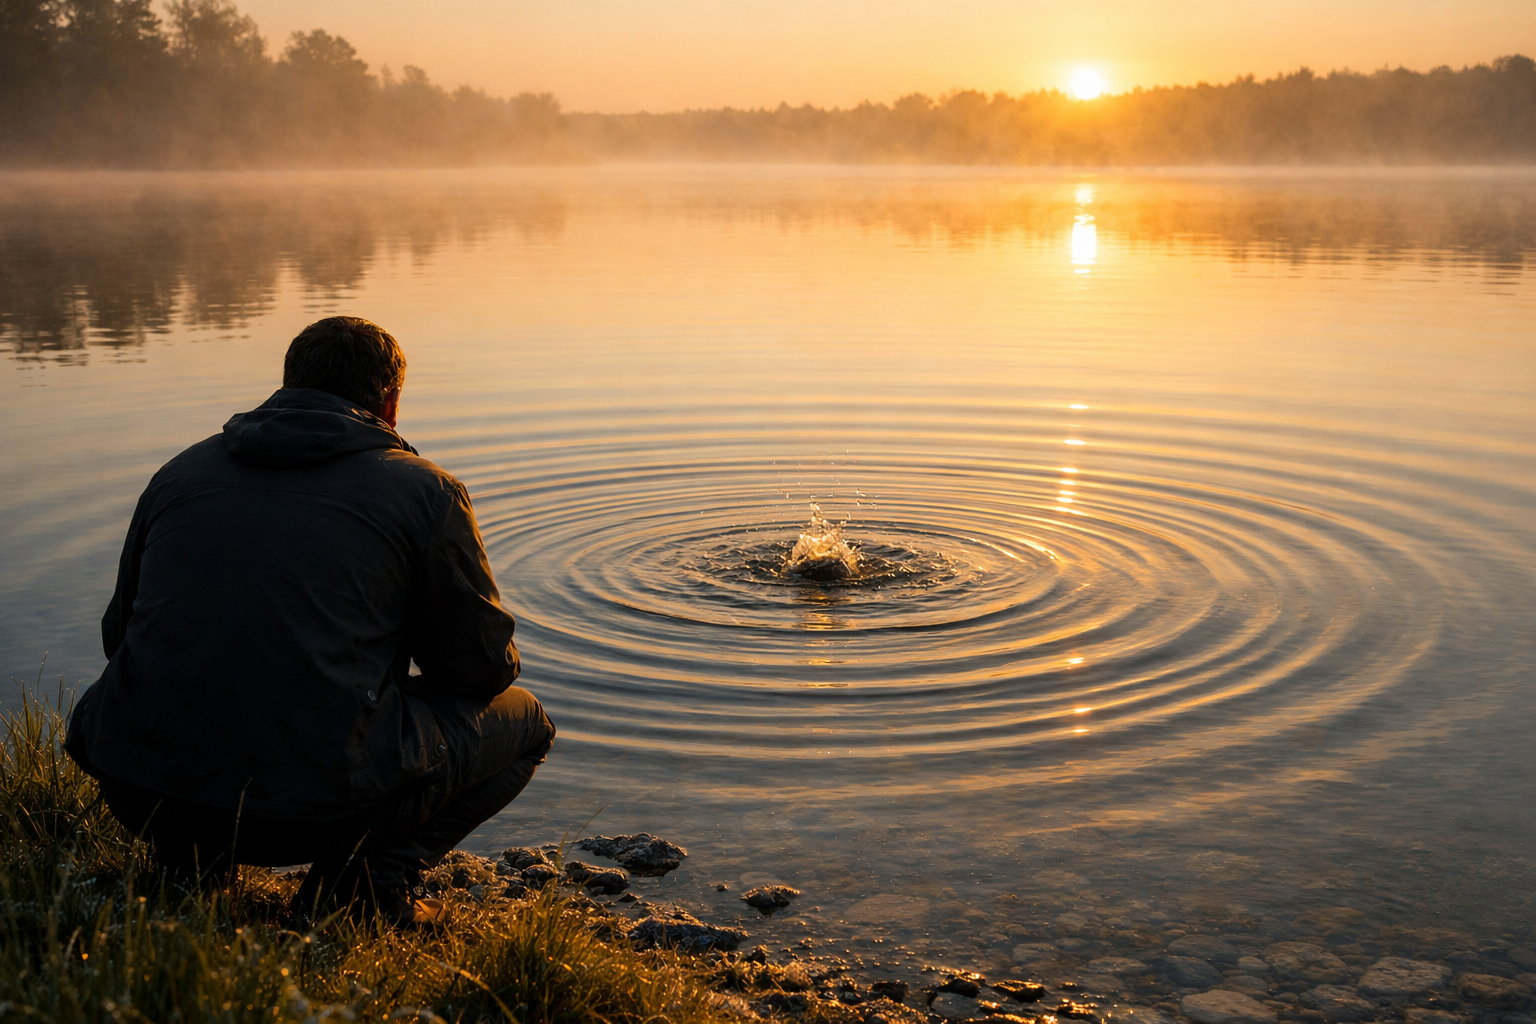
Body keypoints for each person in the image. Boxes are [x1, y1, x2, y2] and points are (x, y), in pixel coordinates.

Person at [64, 316, 554, 926]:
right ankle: (366, 887)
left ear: (288, 385)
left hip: (141, 787)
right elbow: (481, 671)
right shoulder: (426, 492)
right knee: (527, 722)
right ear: (391, 403)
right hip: (312, 810)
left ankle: (189, 869)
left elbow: (120, 641)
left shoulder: (180, 473)